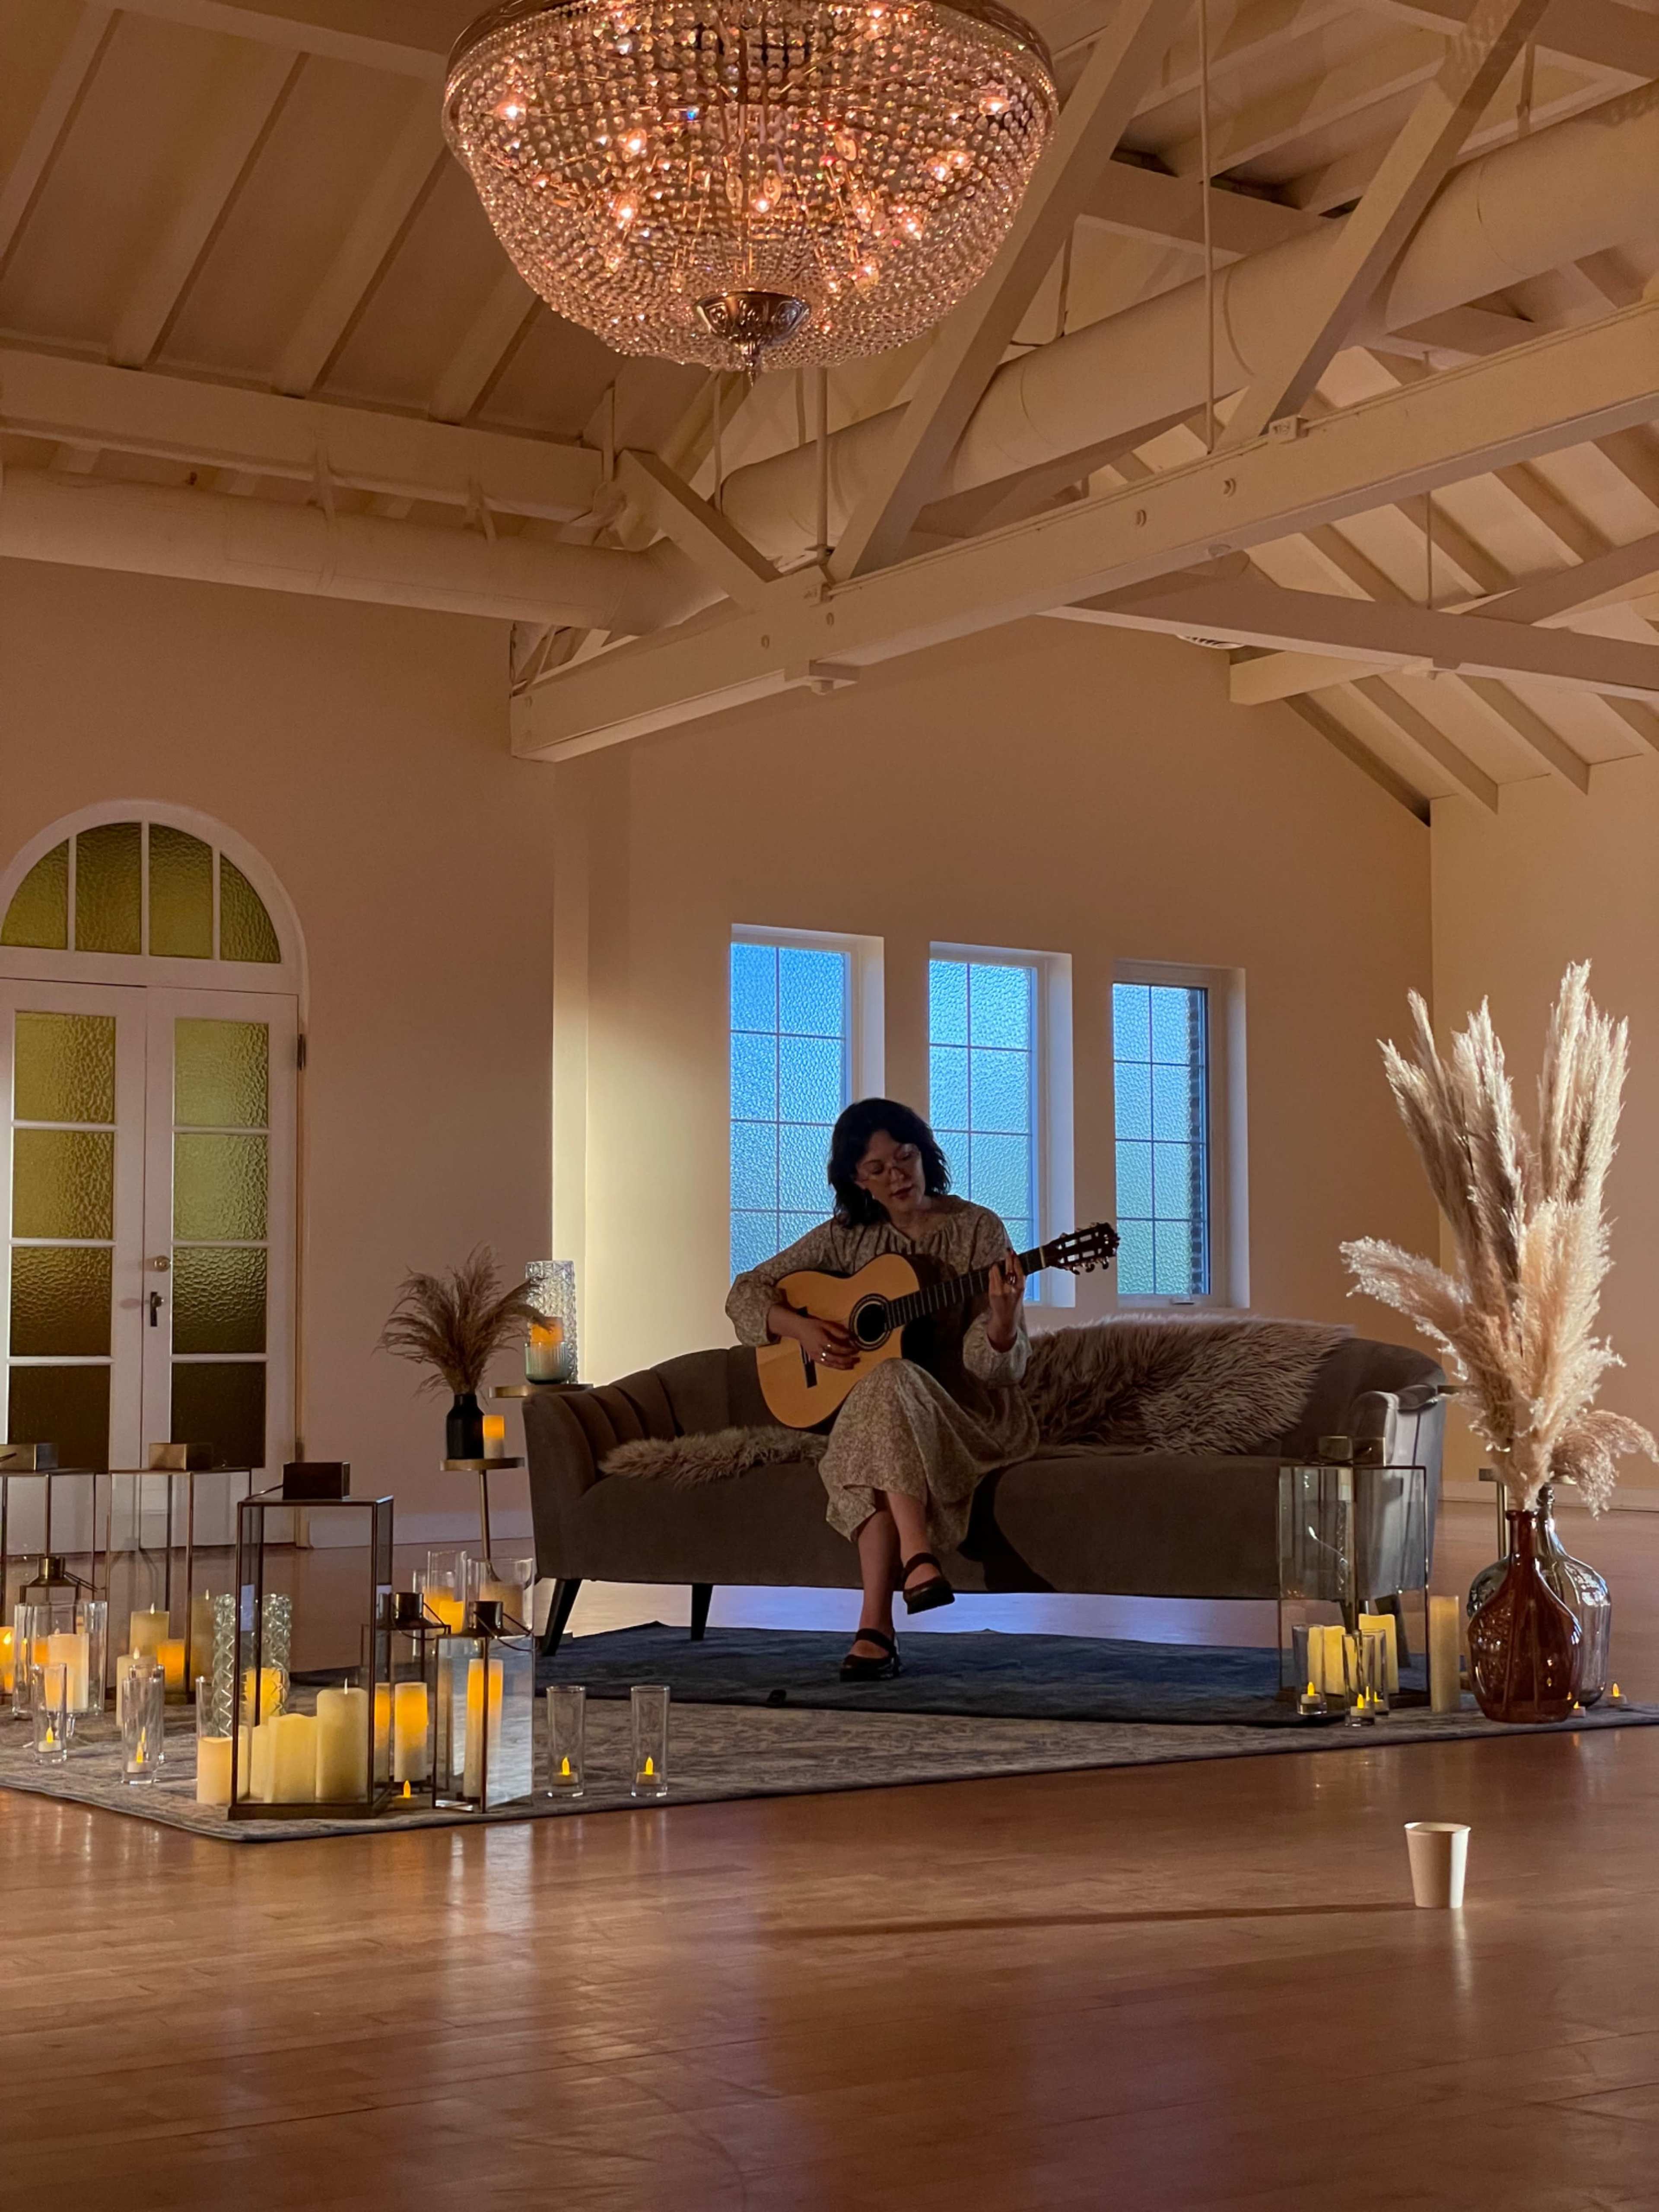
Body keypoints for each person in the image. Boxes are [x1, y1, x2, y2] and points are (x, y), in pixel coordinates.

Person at [726, 1098, 1038, 1680]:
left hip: (965, 1414)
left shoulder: (978, 1229)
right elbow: (744, 1291)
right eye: (878, 1170)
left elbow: (994, 1369)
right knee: (880, 1387)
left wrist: (1001, 1319)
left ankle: (880, 1616)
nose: (897, 1176)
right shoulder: (847, 1239)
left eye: (906, 1157)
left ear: (925, 1154)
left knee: (885, 1380)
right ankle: (910, 1573)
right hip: (881, 1412)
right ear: (856, 1180)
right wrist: (800, 1328)